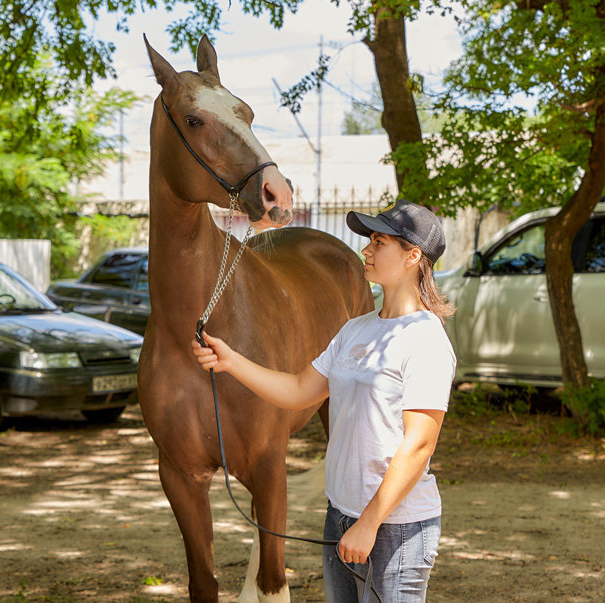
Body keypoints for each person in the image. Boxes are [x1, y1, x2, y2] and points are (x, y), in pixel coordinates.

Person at [192, 199, 456, 602]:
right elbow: (299, 390)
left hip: (396, 527)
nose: (365, 250)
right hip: (340, 517)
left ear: (413, 256)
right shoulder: (355, 329)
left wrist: (369, 524)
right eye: (368, 241)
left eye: (379, 242)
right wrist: (231, 362)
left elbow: (419, 444)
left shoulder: (425, 338)